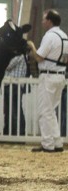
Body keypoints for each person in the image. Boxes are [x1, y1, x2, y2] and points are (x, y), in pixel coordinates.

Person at [27, 9, 68, 152]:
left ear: (50, 21)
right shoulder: (64, 36)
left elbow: (39, 57)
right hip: (60, 76)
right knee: (51, 111)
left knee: (44, 111)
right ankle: (57, 142)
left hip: (48, 76)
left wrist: (31, 46)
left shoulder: (49, 36)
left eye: (44, 19)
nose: (43, 22)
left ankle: (47, 144)